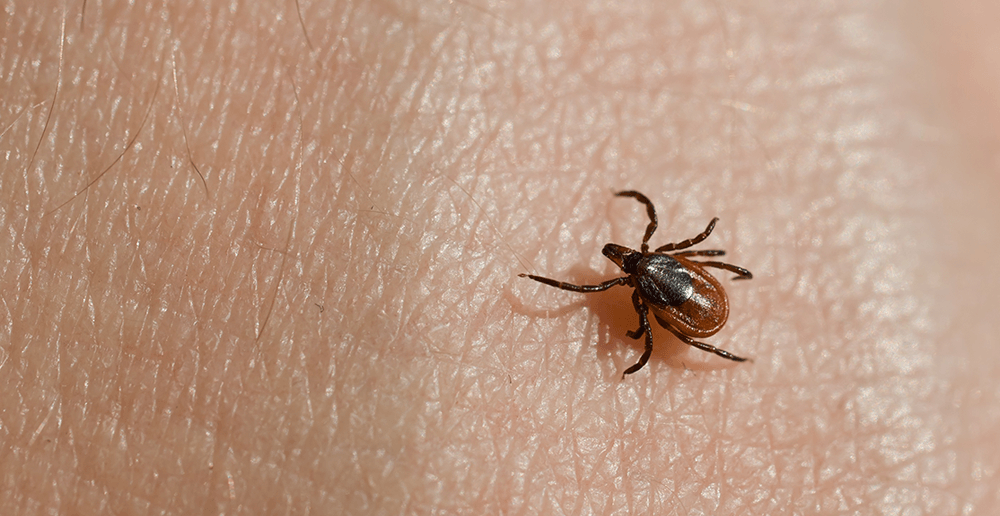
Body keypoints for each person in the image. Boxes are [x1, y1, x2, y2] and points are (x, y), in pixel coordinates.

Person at [2, 1, 998, 513]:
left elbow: (639, 309)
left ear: (645, 266)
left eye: (637, 263)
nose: (635, 267)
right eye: (640, 266)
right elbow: (673, 281)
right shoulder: (652, 281)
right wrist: (693, 321)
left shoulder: (634, 290)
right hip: (705, 315)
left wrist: (655, 325)